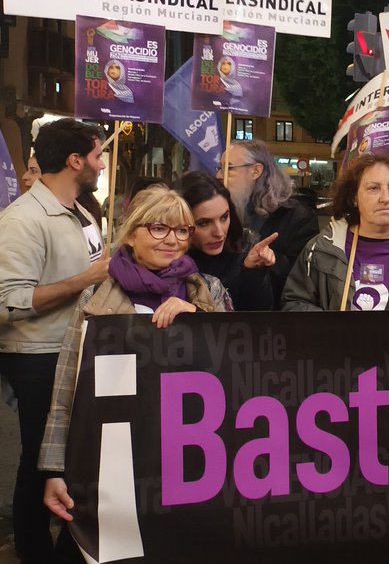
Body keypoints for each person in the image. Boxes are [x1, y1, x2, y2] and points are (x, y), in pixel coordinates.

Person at [40, 188, 232, 539]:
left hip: (191, 453)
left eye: (181, 230)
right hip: (119, 458)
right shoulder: (96, 296)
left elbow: (239, 362)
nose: (171, 239)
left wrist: (199, 320)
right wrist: (54, 470)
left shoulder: (208, 290)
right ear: (131, 233)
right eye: (159, 228)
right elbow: (68, 386)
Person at [0, 119, 108, 564]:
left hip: (76, 353)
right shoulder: (21, 220)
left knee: (71, 460)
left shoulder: (82, 210)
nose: (102, 165)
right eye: (99, 156)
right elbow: (8, 302)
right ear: (75, 160)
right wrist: (86, 280)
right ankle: (32, 551)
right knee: (40, 465)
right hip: (38, 357)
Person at [282, 155, 389, 311]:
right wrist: (333, 332)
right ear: (354, 198)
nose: (386, 198)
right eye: (373, 188)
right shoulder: (322, 249)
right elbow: (295, 302)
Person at [217, 139, 319, 308]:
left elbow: (302, 276)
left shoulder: (296, 216)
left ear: (256, 171)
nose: (219, 176)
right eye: (219, 167)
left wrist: (259, 258)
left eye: (229, 168)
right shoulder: (222, 210)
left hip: (274, 320)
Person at [178, 172, 277, 312]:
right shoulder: (166, 256)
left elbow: (260, 321)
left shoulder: (244, 248)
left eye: (224, 217)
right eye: (204, 223)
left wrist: (252, 274)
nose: (219, 232)